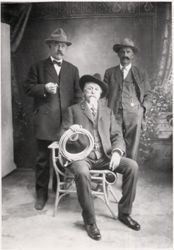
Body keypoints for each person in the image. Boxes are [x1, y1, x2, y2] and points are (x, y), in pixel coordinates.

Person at [59, 73, 140, 241]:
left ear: (101, 94)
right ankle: (90, 222)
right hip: (82, 157)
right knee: (81, 172)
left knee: (132, 166)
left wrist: (117, 152)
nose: (93, 91)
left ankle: (124, 213)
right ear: (84, 92)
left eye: (96, 89)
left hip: (104, 157)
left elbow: (117, 135)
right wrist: (71, 133)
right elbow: (61, 134)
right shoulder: (72, 110)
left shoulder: (107, 112)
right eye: (89, 88)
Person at [24, 28, 82, 210]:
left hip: (65, 123)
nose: (60, 48)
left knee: (62, 159)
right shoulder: (38, 67)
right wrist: (43, 88)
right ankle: (41, 196)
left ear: (66, 48)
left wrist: (75, 119)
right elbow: (27, 88)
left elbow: (78, 96)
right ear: (50, 46)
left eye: (63, 45)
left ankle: (59, 191)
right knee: (42, 160)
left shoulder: (73, 69)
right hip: (44, 121)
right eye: (56, 44)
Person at [104, 38, 153, 160]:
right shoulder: (109, 72)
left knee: (132, 148)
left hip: (134, 115)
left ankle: (129, 174)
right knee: (113, 144)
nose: (125, 55)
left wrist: (142, 109)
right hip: (114, 114)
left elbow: (148, 94)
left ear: (133, 55)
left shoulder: (141, 73)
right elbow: (103, 94)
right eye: (122, 52)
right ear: (118, 54)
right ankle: (113, 176)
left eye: (128, 52)